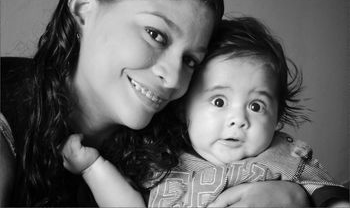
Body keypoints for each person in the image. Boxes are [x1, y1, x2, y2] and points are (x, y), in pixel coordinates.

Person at [0, 0, 316, 207]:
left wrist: (295, 196)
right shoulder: (8, 118)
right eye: (156, 35)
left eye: (191, 60)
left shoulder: (185, 140)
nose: (172, 77)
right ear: (84, 9)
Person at [61, 17, 349, 207]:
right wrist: (92, 168)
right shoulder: (162, 162)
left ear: (276, 119)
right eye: (219, 102)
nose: (239, 120)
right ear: (184, 107)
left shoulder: (283, 157)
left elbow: (329, 194)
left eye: (256, 106)